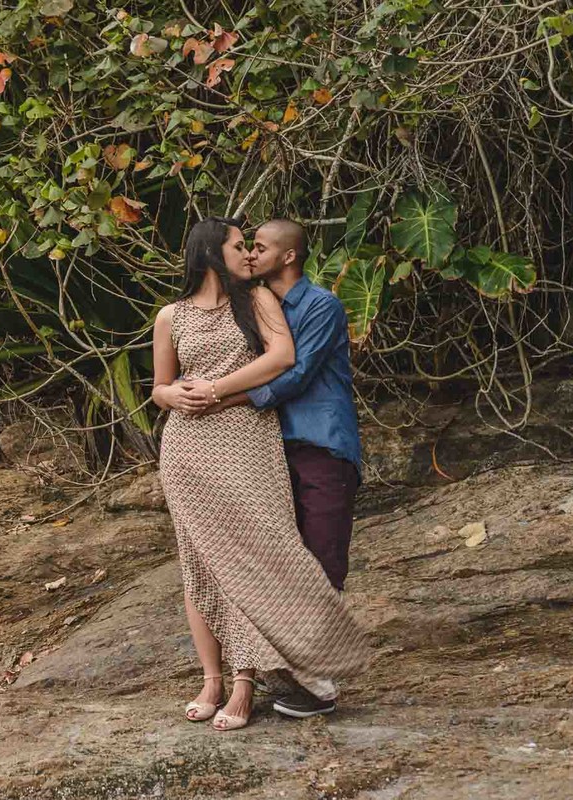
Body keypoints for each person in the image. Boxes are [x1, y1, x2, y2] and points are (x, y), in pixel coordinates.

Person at [152, 217, 368, 732]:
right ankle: (216, 678)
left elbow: (286, 363)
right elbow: (159, 386)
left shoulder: (276, 303)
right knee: (201, 561)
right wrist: (172, 394)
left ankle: (282, 676)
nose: (248, 253)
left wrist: (215, 391)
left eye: (255, 246)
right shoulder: (172, 315)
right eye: (238, 246)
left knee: (277, 556)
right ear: (209, 253)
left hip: (269, 439)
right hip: (191, 444)